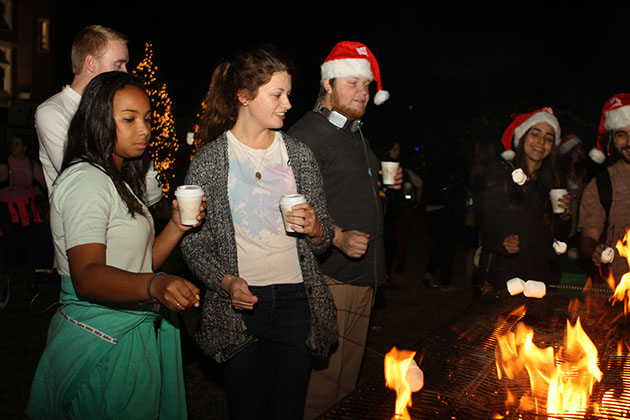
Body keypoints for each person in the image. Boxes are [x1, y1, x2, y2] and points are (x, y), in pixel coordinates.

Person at [26, 71, 203, 419]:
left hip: (127, 331)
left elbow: (137, 263)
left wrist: (178, 226)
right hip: (101, 341)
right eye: (129, 119)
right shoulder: (86, 180)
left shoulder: (117, 178)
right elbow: (88, 276)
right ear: (98, 120)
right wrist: (155, 285)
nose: (145, 129)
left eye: (148, 119)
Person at [180, 44, 338, 419]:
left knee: (287, 410)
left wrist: (317, 229)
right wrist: (227, 281)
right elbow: (194, 244)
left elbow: (324, 237)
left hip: (295, 302)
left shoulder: (298, 156)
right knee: (247, 410)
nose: (287, 103)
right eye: (276, 94)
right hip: (238, 306)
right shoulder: (209, 161)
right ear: (244, 96)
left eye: (288, 94)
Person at [287, 40, 400, 419]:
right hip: (330, 275)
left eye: (366, 86)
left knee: (345, 383)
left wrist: (386, 185)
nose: (362, 93)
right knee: (321, 387)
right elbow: (289, 202)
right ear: (328, 86)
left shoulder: (354, 133)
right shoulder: (311, 133)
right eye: (352, 83)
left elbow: (344, 190)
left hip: (361, 276)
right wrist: (337, 236)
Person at [35, 24, 162, 207]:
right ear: (91, 63)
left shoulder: (119, 108)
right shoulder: (53, 111)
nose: (126, 72)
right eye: (119, 64)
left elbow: (153, 186)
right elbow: (83, 178)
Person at [478, 107, 572, 290]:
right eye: (535, 134)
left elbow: (560, 237)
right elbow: (486, 229)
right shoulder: (500, 176)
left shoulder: (555, 182)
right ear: (522, 137)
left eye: (548, 138)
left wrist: (565, 216)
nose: (541, 142)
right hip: (506, 277)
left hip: (541, 278)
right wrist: (502, 243)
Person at [579, 93, 630, 283]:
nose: (629, 142)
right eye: (621, 134)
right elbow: (587, 238)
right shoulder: (600, 185)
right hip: (617, 292)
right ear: (612, 140)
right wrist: (594, 249)